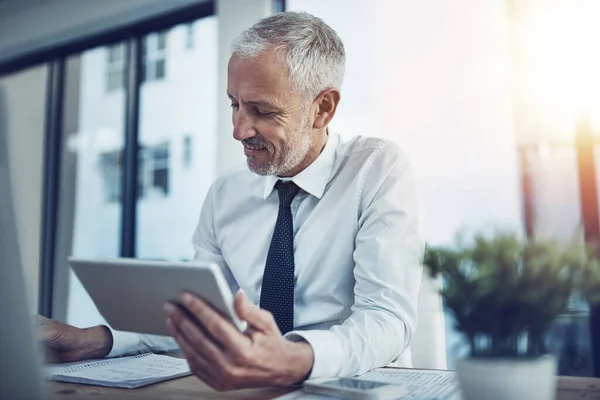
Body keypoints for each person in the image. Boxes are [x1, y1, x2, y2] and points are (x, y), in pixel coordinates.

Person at [39, 11, 423, 391]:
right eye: (234, 104)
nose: (238, 130)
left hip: (353, 388)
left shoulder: (376, 169)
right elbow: (199, 317)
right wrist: (94, 340)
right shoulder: (225, 195)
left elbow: (386, 320)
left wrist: (292, 359)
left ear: (322, 108)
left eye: (262, 110)